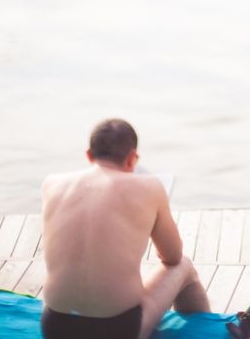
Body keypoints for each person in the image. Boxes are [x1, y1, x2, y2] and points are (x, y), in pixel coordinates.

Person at [40, 118, 210, 339]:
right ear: (132, 159)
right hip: (116, 330)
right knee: (183, 266)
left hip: (56, 327)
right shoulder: (150, 187)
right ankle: (207, 331)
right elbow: (173, 256)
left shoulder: (51, 183)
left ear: (89, 155)